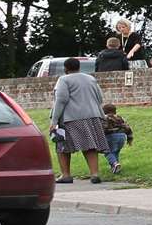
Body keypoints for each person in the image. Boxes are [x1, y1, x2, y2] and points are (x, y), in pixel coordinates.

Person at [51, 56, 107, 184]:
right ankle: (94, 174)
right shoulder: (91, 78)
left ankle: (65, 175)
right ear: (79, 67)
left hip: (72, 118)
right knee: (90, 146)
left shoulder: (63, 80)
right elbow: (100, 97)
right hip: (93, 116)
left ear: (65, 68)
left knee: (62, 146)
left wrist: (54, 121)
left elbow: (61, 100)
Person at [101, 103, 133, 177]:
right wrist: (129, 138)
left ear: (103, 111)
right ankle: (116, 167)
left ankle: (115, 164)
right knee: (115, 151)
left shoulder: (104, 118)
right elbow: (127, 127)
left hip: (111, 136)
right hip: (122, 136)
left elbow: (104, 128)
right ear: (115, 111)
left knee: (107, 152)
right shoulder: (120, 117)